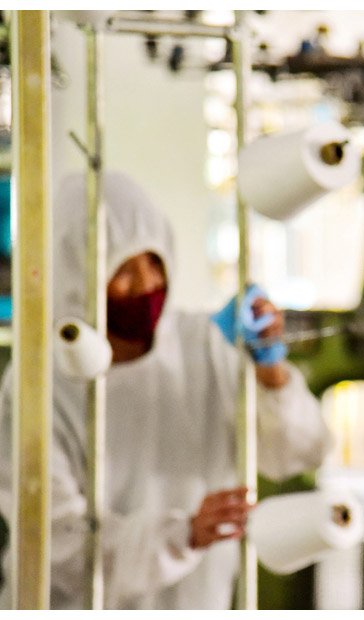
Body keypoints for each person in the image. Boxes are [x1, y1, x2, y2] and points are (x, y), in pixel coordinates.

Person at [0, 171, 333, 609]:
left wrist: (270, 371)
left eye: (154, 262)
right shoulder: (41, 384)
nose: (146, 284)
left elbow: (296, 454)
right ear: (77, 279)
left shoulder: (206, 345)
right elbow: (57, 545)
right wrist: (183, 535)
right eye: (123, 270)